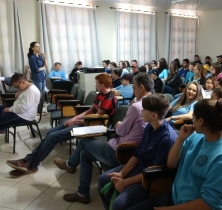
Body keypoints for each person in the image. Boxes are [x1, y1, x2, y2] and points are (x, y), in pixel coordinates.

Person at [54, 73, 154, 204]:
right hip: (129, 150)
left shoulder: (137, 106)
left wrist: (119, 125)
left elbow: (121, 130)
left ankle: (70, 164)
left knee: (84, 140)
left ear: (141, 87)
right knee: (84, 154)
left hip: (120, 152)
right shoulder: (153, 103)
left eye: (134, 88)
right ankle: (82, 193)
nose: (133, 91)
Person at [128, 99, 222, 210]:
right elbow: (171, 164)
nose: (192, 119)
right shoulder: (196, 136)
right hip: (175, 198)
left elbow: (210, 204)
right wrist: (180, 139)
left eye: (194, 117)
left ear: (201, 121)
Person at [6, 73, 117, 177]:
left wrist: (76, 121)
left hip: (93, 127)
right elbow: (89, 110)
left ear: (102, 85)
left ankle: (31, 164)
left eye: (96, 83)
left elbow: (96, 120)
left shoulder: (109, 99)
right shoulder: (100, 95)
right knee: (50, 132)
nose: (95, 85)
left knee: (52, 137)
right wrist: (75, 118)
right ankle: (28, 161)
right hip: (85, 121)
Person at [98, 93, 178, 210]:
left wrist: (125, 182)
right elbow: (137, 154)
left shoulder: (166, 139)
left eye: (144, 110)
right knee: (103, 180)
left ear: (154, 115)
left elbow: (152, 172)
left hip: (149, 178)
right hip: (139, 169)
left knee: (118, 204)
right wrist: (122, 174)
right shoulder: (149, 127)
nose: (142, 111)